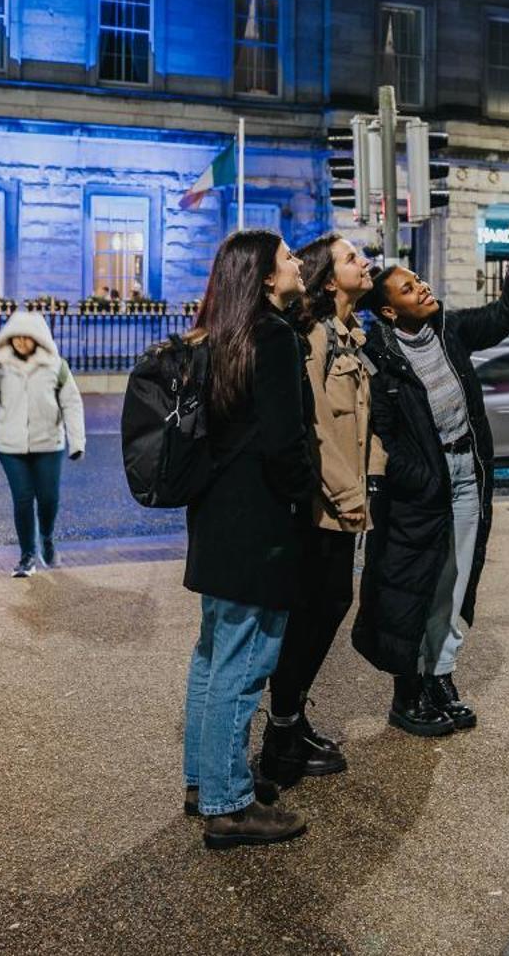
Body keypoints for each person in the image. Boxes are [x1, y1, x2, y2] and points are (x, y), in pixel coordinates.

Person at [354, 245, 509, 736]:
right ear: (391, 309)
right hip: (421, 490)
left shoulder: (448, 330)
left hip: (466, 478)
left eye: (420, 280)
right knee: (415, 586)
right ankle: (407, 691)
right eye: (411, 287)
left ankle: (440, 677)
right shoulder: (379, 357)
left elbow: (503, 316)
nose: (424, 288)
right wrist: (419, 477)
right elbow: (384, 434)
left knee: (454, 585)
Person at [181, 230, 320, 849]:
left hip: (215, 518)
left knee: (213, 655)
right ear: (266, 277)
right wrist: (306, 498)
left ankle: (203, 780)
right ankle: (229, 804)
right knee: (244, 663)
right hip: (261, 522)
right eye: (289, 257)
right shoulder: (273, 337)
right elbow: (285, 443)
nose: (298, 264)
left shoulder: (218, 338)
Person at [259, 235, 386, 790]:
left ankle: (292, 719)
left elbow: (362, 421)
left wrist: (372, 476)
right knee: (316, 610)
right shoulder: (311, 338)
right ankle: (281, 732)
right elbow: (312, 431)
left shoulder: (351, 336)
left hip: (347, 500)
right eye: (352, 258)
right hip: (322, 505)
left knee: (328, 605)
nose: (365, 263)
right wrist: (350, 495)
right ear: (329, 280)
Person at [0, 312, 87, 578]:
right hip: (10, 445)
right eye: (16, 338)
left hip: (48, 443)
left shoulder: (56, 366)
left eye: (27, 337)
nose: (21, 342)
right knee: (23, 499)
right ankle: (27, 556)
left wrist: (76, 442)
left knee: (48, 499)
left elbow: (72, 403)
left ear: (39, 339)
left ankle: (46, 538)